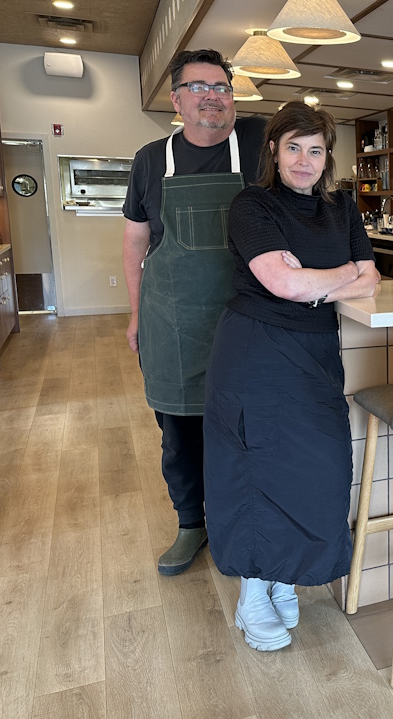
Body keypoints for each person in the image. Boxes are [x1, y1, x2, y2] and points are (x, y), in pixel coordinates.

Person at [202, 102, 379, 651]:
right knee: (257, 471)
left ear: (328, 157)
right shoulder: (252, 204)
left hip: (316, 353)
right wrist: (334, 277)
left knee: (316, 469)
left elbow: (370, 276)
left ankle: (283, 576)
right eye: (293, 147)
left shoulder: (341, 207)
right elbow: (283, 285)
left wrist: (318, 280)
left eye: (316, 149)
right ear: (274, 152)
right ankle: (254, 590)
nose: (305, 160)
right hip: (256, 350)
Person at [122, 49, 266, 576]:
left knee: (243, 428)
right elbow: (136, 240)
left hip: (245, 319)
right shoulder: (150, 159)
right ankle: (190, 524)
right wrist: (136, 315)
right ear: (176, 99)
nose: (213, 96)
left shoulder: (257, 146)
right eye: (199, 86)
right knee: (180, 433)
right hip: (174, 320)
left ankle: (236, 520)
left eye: (223, 86)